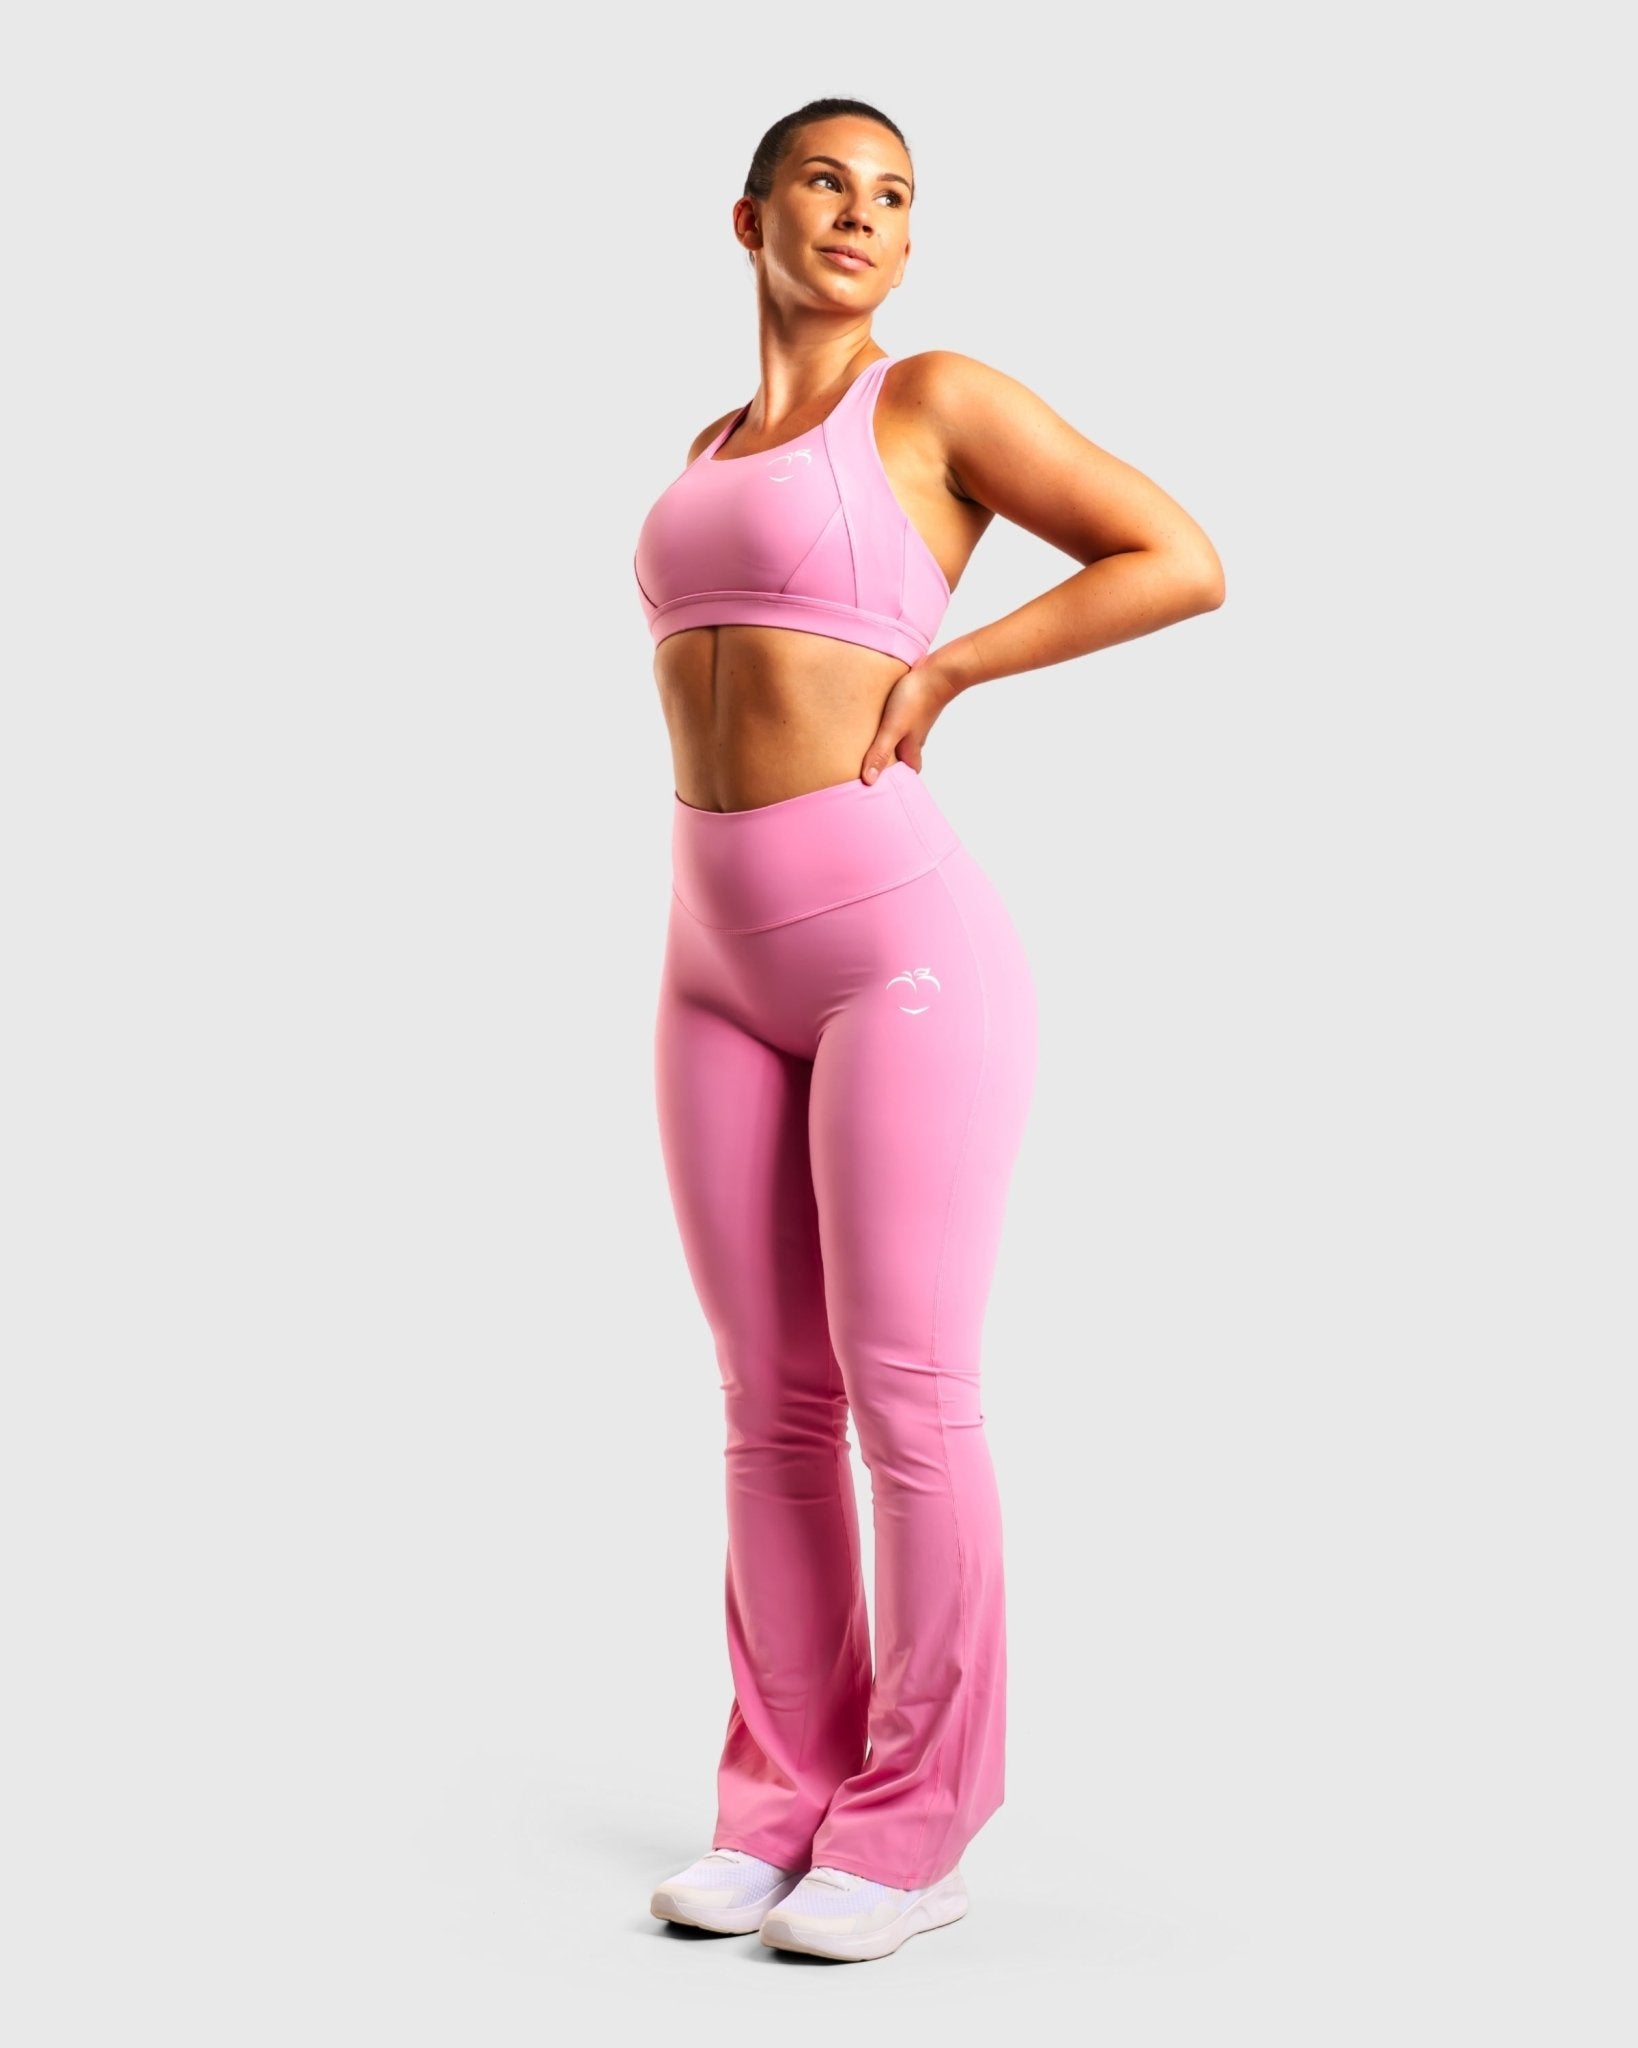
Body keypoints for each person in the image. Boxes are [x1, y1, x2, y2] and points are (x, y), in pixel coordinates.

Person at [638, 96, 1224, 1964]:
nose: (862, 215)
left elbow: (1173, 554)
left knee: (905, 1388)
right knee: (765, 1402)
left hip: (895, 951)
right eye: (826, 181)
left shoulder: (935, 400)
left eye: (893, 195)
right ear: (748, 219)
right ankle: (776, 1805)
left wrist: (956, 663)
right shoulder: (709, 444)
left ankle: (914, 1829)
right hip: (710, 958)